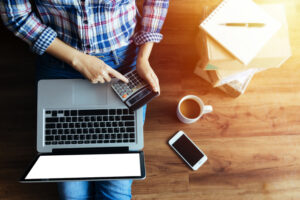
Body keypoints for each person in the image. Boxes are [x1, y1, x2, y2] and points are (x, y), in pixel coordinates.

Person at [0, 0, 169, 199]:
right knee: (71, 196)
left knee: (115, 193)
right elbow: (16, 15)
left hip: (121, 62)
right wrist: (78, 59)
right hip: (59, 60)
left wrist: (143, 58)